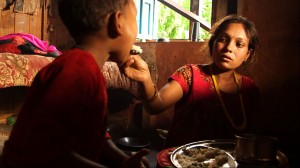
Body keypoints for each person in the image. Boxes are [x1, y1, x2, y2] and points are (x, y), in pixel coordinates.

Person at [0, 0, 149, 167]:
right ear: (118, 22)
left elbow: (92, 132)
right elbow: (43, 150)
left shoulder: (86, 67)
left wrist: (121, 159)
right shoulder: (77, 69)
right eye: (135, 17)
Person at [122, 14, 261, 148]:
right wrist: (145, 78)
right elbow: (155, 106)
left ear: (247, 54)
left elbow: (254, 135)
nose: (229, 48)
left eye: (239, 44)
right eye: (223, 39)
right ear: (213, 43)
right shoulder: (190, 75)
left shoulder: (249, 88)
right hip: (182, 161)